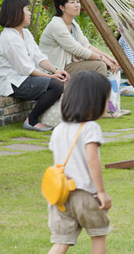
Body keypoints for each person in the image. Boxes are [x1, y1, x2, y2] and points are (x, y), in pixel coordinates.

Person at [47, 71, 112, 253]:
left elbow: (56, 165)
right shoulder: (90, 128)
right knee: (98, 236)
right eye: (106, 100)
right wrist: (101, 192)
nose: (108, 105)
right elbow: (92, 161)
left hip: (62, 195)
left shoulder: (58, 129)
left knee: (61, 242)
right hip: (85, 195)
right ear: (94, 101)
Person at [40, 0, 124, 118]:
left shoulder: (72, 23)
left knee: (107, 65)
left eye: (78, 1)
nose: (77, 5)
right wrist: (103, 59)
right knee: (99, 65)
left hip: (69, 65)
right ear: (61, 7)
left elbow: (86, 45)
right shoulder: (57, 25)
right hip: (55, 69)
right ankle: (102, 108)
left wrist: (109, 57)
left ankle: (110, 105)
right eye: (72, 2)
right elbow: (77, 49)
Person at [0, 0, 69, 132]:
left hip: (25, 79)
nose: (30, 13)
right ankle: (31, 121)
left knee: (59, 81)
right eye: (26, 9)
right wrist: (51, 78)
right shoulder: (10, 38)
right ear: (16, 12)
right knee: (56, 85)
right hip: (13, 83)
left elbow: (39, 57)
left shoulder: (25, 33)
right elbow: (25, 69)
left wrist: (55, 71)